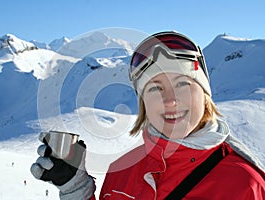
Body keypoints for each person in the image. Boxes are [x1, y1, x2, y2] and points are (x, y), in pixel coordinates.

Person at [31, 31, 265, 199]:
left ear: (204, 94)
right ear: (143, 103)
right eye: (155, 88)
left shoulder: (245, 184)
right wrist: (77, 191)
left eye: (183, 84)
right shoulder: (121, 173)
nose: (170, 100)